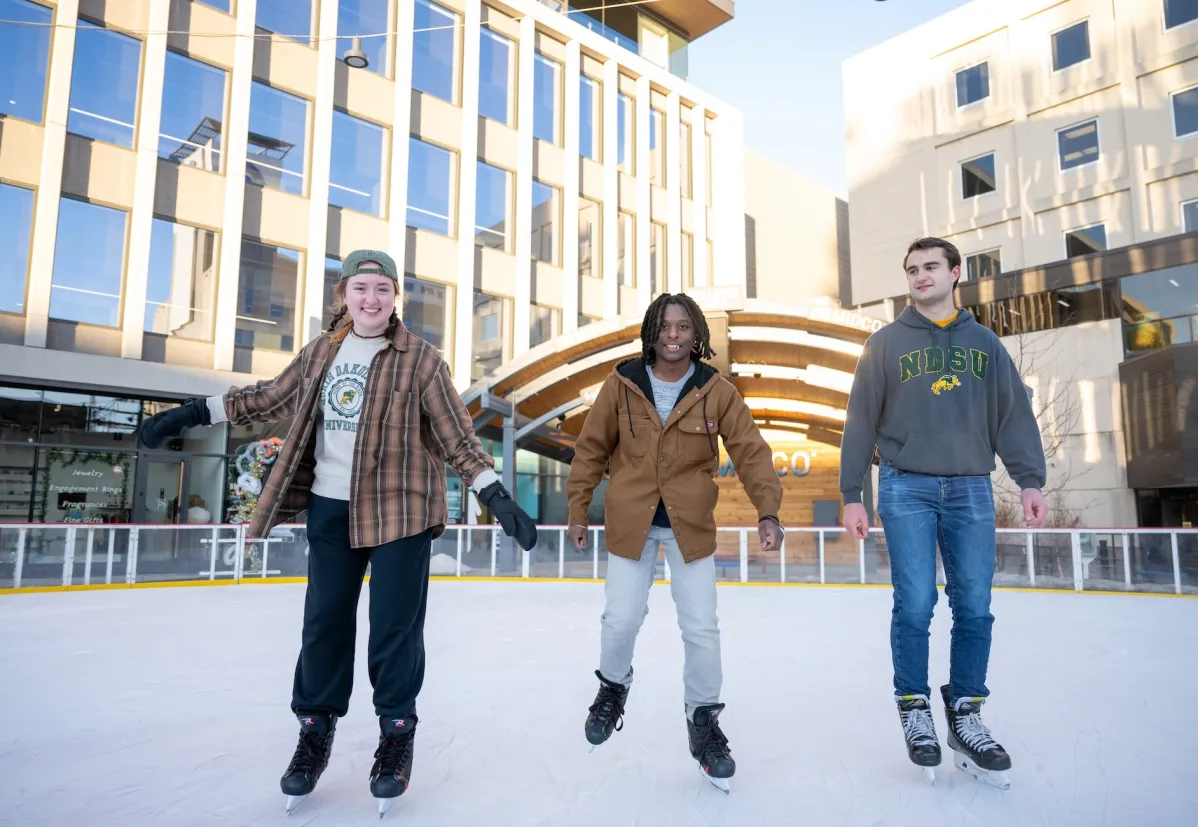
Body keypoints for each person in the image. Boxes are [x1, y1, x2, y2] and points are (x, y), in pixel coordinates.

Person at [138, 249, 537, 815]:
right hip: (330, 507)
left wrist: (493, 493)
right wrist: (189, 414)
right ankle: (314, 731)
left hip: (400, 511)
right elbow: (264, 398)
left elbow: (458, 438)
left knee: (394, 628)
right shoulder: (321, 352)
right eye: (360, 289)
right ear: (344, 295)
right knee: (323, 622)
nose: (370, 299)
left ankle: (396, 735)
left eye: (381, 289)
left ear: (395, 295)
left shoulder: (422, 361)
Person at [839, 237, 1048, 790]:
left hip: (972, 487)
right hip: (905, 485)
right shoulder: (883, 345)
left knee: (975, 606)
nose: (919, 276)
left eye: (930, 267)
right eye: (911, 269)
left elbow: (1012, 415)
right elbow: (860, 421)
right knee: (915, 603)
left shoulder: (985, 344)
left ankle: (966, 712)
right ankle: (914, 706)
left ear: (955, 273)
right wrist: (852, 492)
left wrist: (1029, 478)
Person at [565, 293, 784, 793]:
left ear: (696, 334)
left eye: (683, 327)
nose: (673, 335)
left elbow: (751, 451)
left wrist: (767, 510)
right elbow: (591, 451)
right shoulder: (621, 384)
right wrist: (578, 511)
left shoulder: (716, 390)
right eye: (664, 326)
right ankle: (613, 688)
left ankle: (703, 720)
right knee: (620, 619)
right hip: (630, 525)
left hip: (690, 528)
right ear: (650, 330)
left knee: (702, 628)